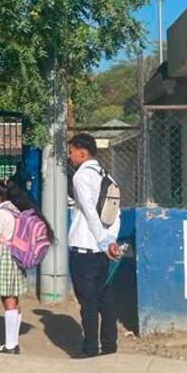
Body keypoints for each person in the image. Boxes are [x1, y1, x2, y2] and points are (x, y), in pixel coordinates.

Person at [67, 133, 122, 358]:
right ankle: (110, 345)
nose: (70, 156)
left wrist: (101, 239)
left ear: (82, 151)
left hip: (85, 248)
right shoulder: (107, 176)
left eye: (71, 151)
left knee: (88, 302)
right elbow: (114, 212)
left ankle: (90, 348)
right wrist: (110, 242)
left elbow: (90, 211)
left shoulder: (81, 177)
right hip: (102, 252)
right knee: (104, 298)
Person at [0, 179, 51, 355]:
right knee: (14, 299)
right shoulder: (14, 209)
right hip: (16, 256)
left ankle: (10, 345)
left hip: (4, 256)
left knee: (8, 300)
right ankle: (12, 342)